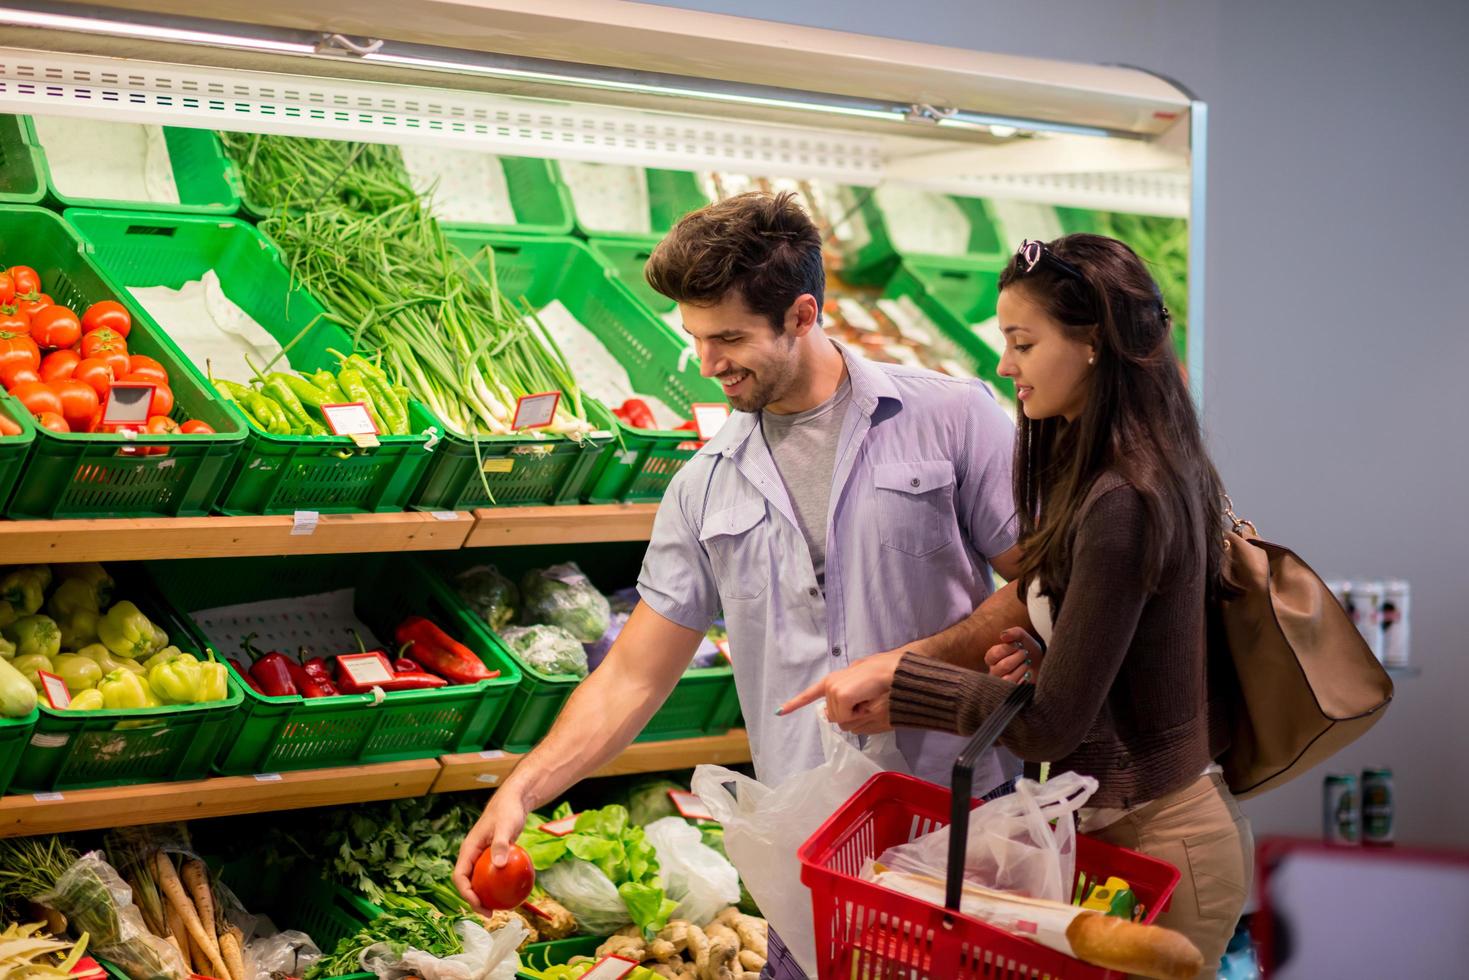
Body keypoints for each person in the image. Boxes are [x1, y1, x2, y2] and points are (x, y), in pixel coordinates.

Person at [453, 192, 1025, 973]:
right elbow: (631, 676)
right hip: (809, 842)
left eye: (727, 338)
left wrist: (913, 664)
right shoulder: (704, 484)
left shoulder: (952, 418)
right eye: (695, 337)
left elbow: (1043, 584)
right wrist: (522, 790)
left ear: (800, 315)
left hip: (955, 820)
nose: (707, 362)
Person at [783, 234, 1252, 978]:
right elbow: (1137, 646)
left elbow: (1049, 729)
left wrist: (906, 687)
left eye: (1022, 342)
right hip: (1125, 827)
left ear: (1092, 342)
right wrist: (1051, 651)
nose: (1004, 365)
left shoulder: (1122, 496)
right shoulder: (1126, 468)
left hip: (1165, 843)